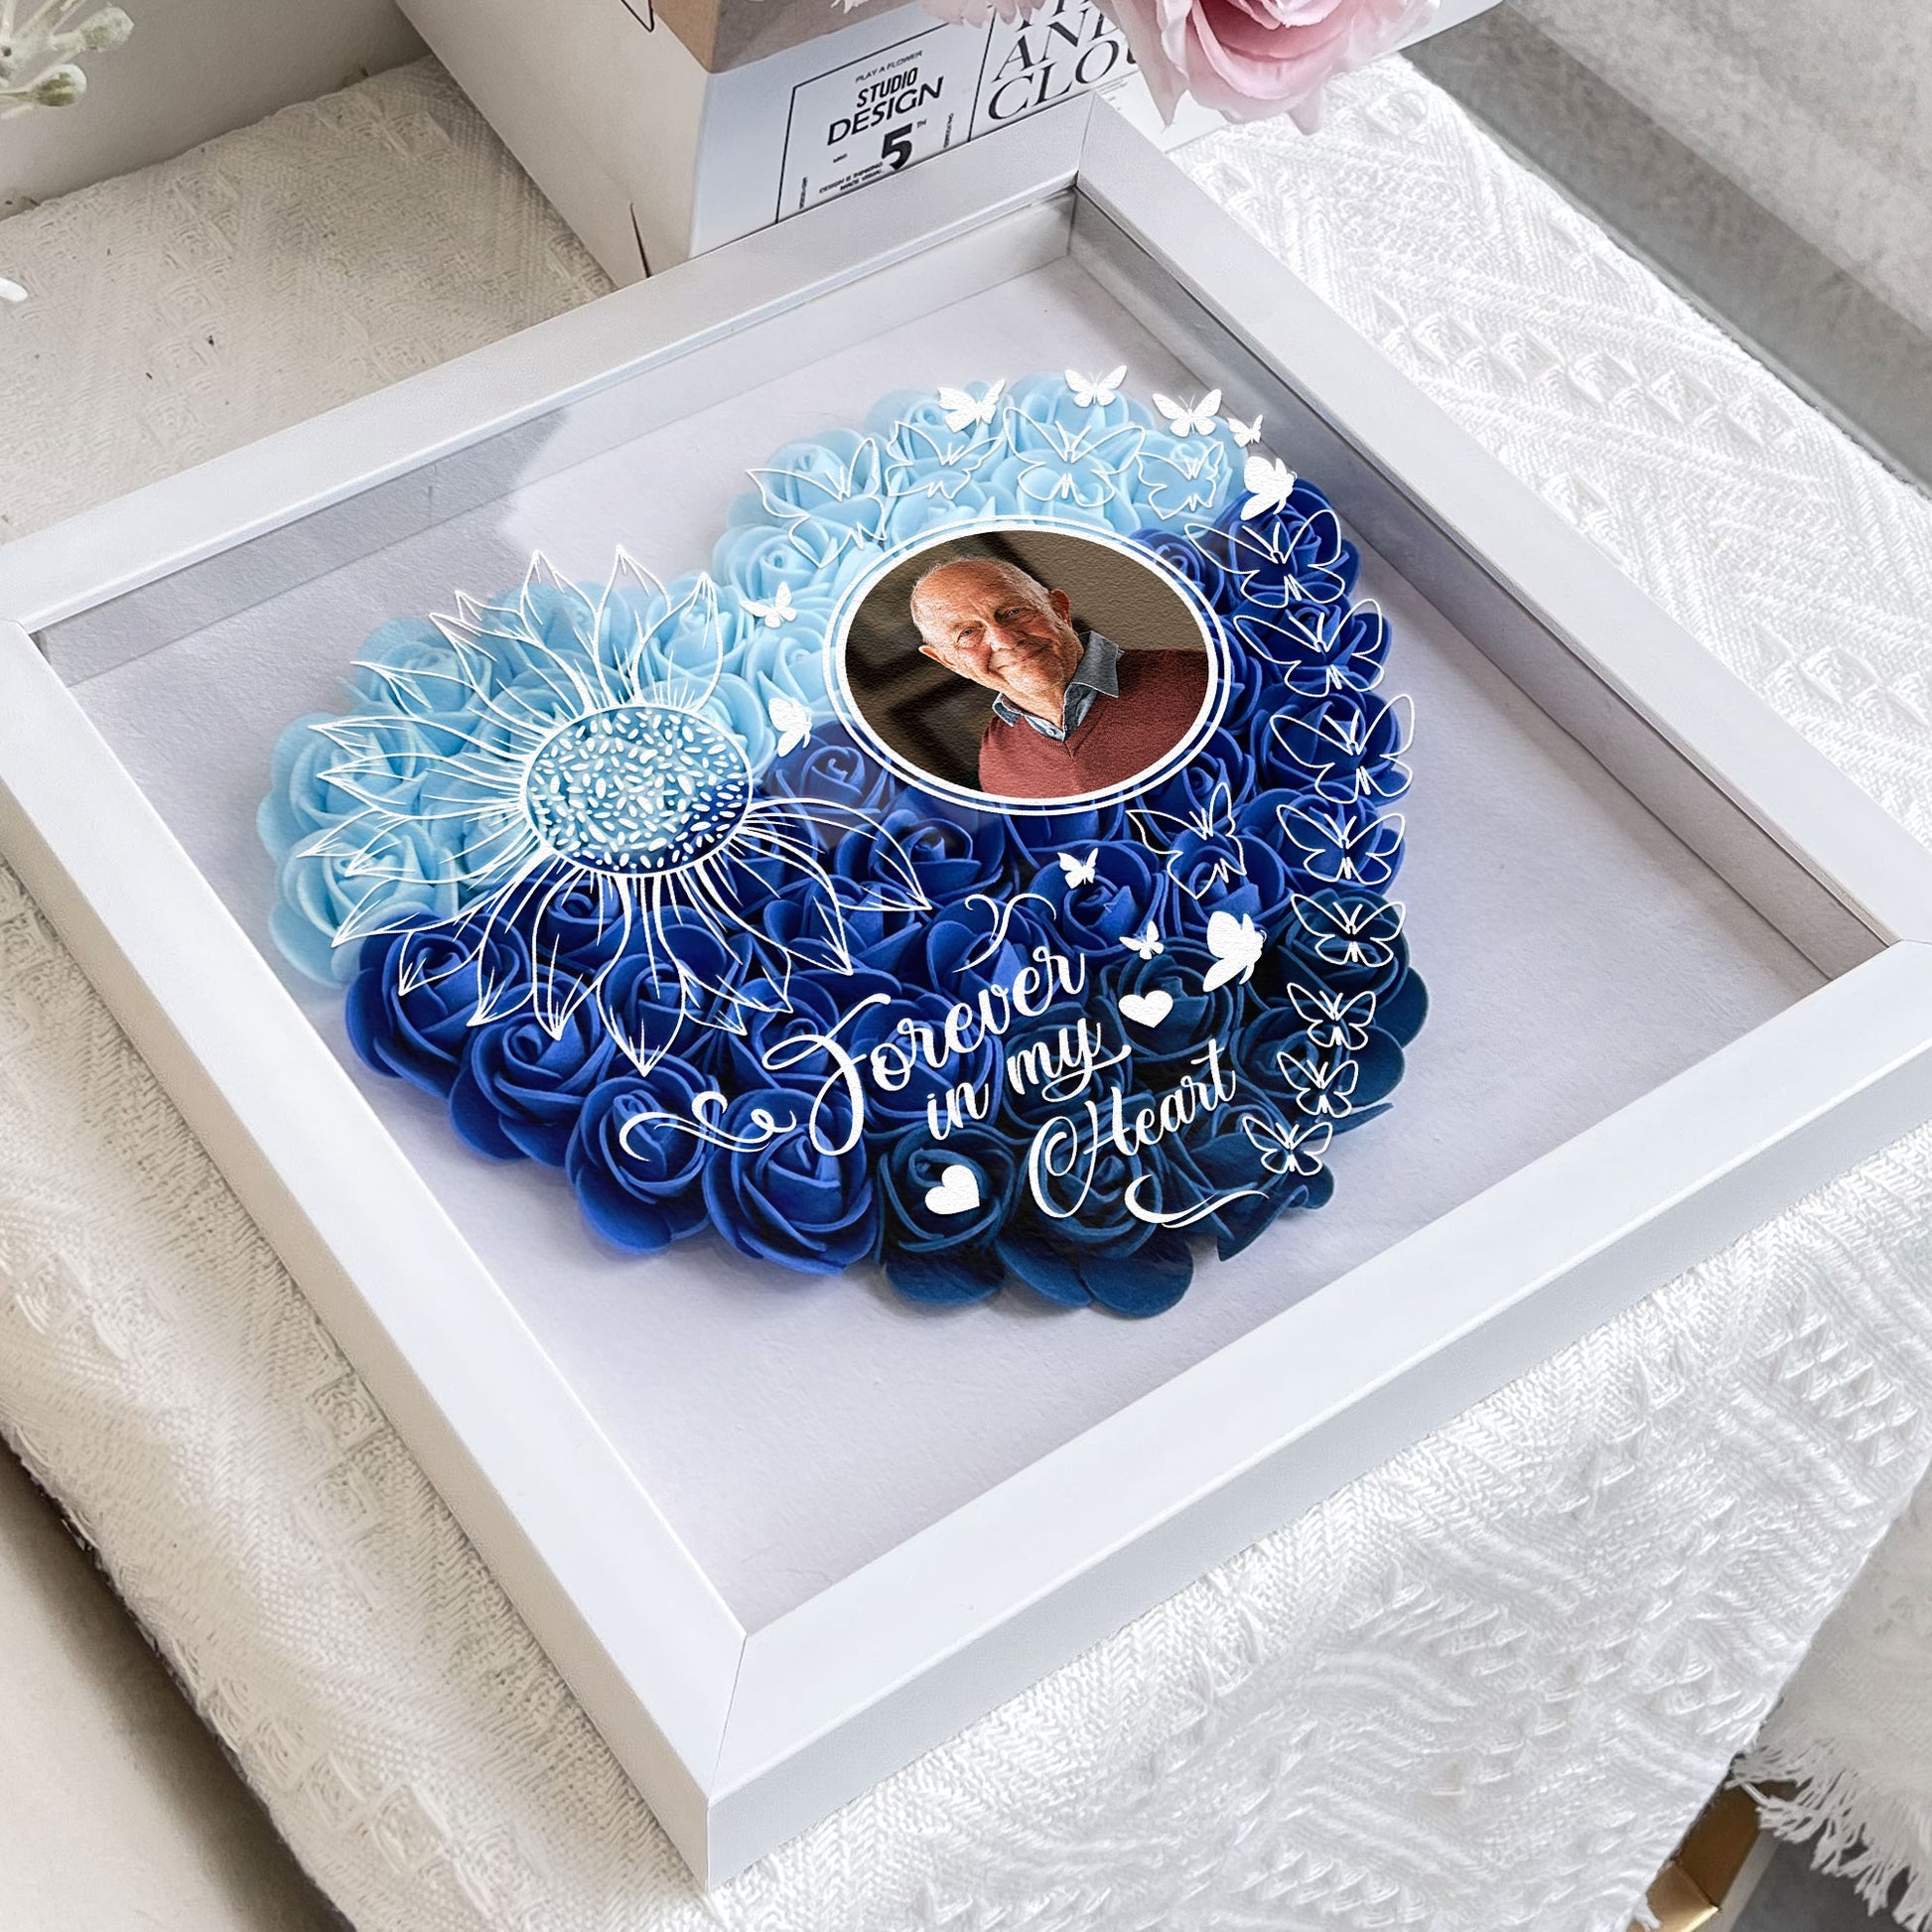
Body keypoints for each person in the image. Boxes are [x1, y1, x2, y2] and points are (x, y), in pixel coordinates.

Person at [908, 556, 1208, 799]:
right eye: (967, 633)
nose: (1004, 640)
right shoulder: (996, 761)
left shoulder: (1201, 678)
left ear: (1059, 610)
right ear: (947, 661)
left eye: (1013, 611)